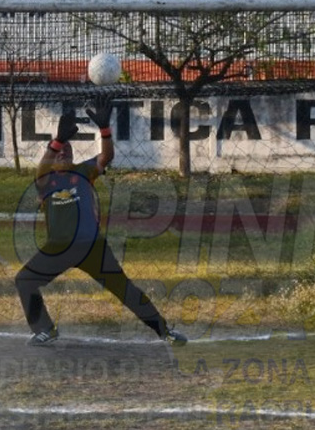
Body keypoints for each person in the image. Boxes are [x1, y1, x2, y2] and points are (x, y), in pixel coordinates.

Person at [15, 102, 187, 347]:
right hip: (59, 248)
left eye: (68, 149)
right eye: (59, 151)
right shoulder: (46, 180)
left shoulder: (84, 172)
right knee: (25, 280)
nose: (64, 152)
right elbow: (42, 167)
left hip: (91, 246)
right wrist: (57, 141)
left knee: (124, 289)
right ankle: (45, 329)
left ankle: (165, 331)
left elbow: (106, 156)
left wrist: (105, 129)